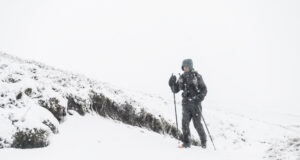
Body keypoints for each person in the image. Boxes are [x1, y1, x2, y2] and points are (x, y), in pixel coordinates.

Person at [168, 59, 207, 148]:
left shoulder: (197, 77)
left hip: (196, 104)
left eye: (186, 67)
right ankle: (186, 142)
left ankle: (204, 142)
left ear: (190, 66)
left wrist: (199, 98)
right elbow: (175, 90)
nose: (185, 68)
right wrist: (172, 84)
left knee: (197, 124)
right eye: (184, 67)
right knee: (184, 123)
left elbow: (204, 89)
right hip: (185, 104)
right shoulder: (182, 77)